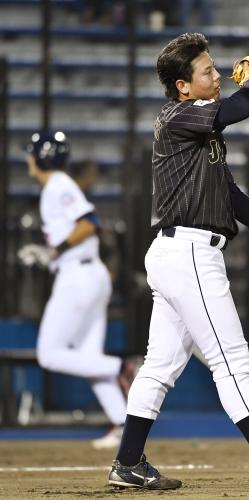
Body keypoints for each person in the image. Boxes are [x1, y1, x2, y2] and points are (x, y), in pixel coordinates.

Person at [108, 33, 249, 491]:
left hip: (179, 253)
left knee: (160, 365)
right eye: (207, 71)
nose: (218, 75)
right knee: (231, 359)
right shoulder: (178, 116)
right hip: (188, 253)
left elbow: (230, 196)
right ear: (183, 86)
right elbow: (239, 109)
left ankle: (127, 463)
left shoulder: (197, 128)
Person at [25, 131, 135, 450]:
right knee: (88, 358)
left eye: (32, 154)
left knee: (49, 355)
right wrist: (52, 255)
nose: (28, 159)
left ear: (41, 157)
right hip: (86, 271)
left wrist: (55, 250)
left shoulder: (58, 184)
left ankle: (122, 367)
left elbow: (89, 223)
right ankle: (124, 422)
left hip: (78, 276)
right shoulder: (57, 184)